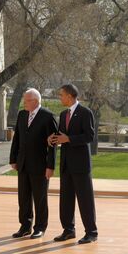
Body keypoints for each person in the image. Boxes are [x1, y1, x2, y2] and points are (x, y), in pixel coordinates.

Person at [49, 84, 98, 244]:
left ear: (70, 96)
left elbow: (89, 136)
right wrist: (53, 138)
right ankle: (68, 230)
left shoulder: (85, 113)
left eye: (61, 95)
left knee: (85, 200)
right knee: (66, 199)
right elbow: (62, 134)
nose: (60, 97)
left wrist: (69, 139)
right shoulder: (63, 114)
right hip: (66, 164)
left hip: (81, 165)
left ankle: (91, 232)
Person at [9, 88, 58, 239]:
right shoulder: (22, 115)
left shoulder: (47, 117)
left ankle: (40, 227)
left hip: (40, 166)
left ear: (35, 102)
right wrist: (13, 159)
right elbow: (17, 138)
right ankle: (25, 226)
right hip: (23, 163)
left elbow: (53, 144)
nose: (24, 102)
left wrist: (50, 166)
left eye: (26, 100)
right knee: (23, 197)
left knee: (40, 198)